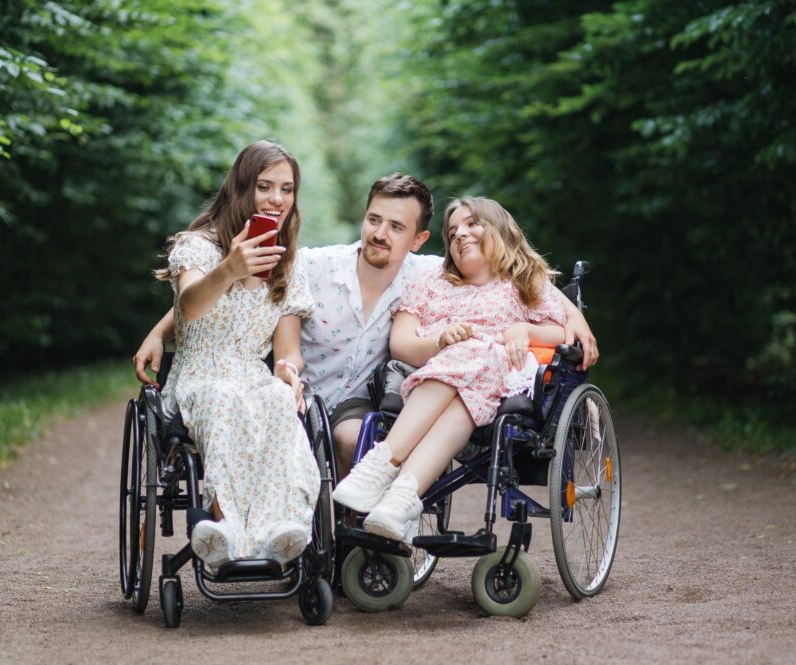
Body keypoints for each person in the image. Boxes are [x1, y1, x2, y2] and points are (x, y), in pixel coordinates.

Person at [133, 176, 600, 479]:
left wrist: (575, 317)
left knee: (353, 439)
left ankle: (355, 537)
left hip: (359, 408)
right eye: (374, 220)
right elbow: (238, 289)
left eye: (396, 227)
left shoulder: (430, 277)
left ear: (418, 240)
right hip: (298, 396)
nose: (380, 233)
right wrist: (160, 331)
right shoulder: (315, 265)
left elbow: (520, 278)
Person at [331, 197, 569, 543]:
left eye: (472, 224)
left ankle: (381, 465)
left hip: (500, 377)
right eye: (453, 230)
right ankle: (402, 499)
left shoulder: (523, 280)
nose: (459, 234)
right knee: (462, 389)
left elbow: (561, 332)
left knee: (471, 350)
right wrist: (441, 341)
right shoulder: (431, 283)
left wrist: (524, 330)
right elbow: (401, 344)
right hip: (440, 382)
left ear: (500, 230)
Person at [157, 140, 318, 569]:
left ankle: (279, 527)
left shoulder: (289, 264)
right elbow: (190, 306)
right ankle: (224, 526)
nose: (277, 199)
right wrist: (230, 267)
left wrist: (288, 370)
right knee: (223, 397)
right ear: (241, 188)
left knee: (279, 397)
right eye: (265, 186)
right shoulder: (198, 247)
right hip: (201, 373)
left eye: (287, 189)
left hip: (253, 373)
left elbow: (288, 349)